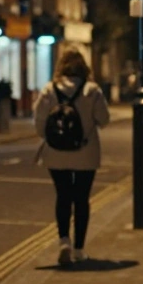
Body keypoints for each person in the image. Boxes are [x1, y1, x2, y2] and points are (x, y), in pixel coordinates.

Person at [34, 49, 111, 266]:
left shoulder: (49, 90)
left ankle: (64, 241)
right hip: (85, 153)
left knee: (63, 196)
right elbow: (104, 120)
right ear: (83, 68)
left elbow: (39, 123)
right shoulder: (92, 91)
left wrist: (53, 138)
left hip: (56, 153)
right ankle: (78, 249)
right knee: (81, 199)